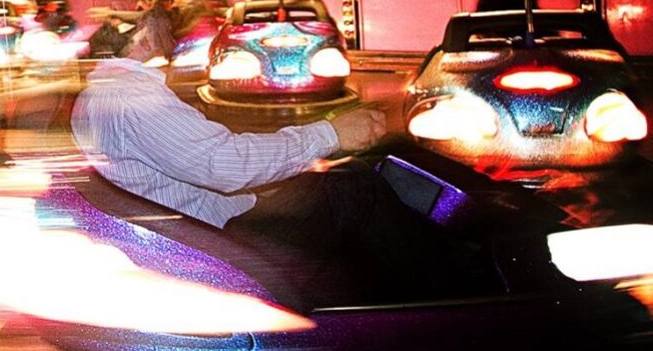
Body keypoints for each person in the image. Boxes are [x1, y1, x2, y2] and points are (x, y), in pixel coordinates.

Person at [72, 57, 475, 299]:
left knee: (336, 178)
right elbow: (224, 164)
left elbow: (205, 161)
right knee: (353, 188)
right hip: (219, 242)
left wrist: (298, 162)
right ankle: (456, 295)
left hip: (209, 225)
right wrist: (331, 134)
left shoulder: (107, 93)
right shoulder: (132, 97)